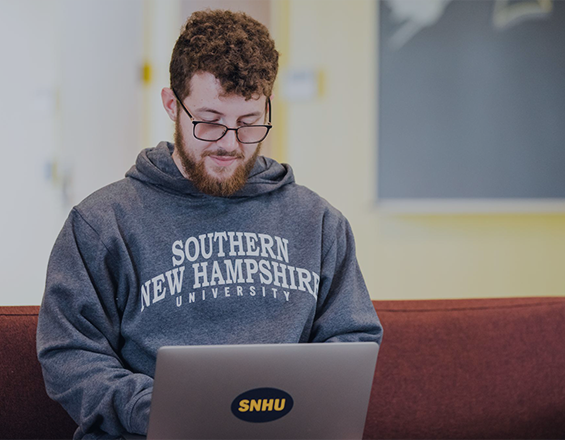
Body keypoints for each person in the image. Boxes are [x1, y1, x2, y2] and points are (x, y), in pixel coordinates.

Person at [36, 9, 382, 440]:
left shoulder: (319, 222)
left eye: (249, 123)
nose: (229, 144)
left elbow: (353, 336)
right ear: (171, 104)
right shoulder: (102, 223)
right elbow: (70, 353)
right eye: (210, 121)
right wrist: (158, 410)